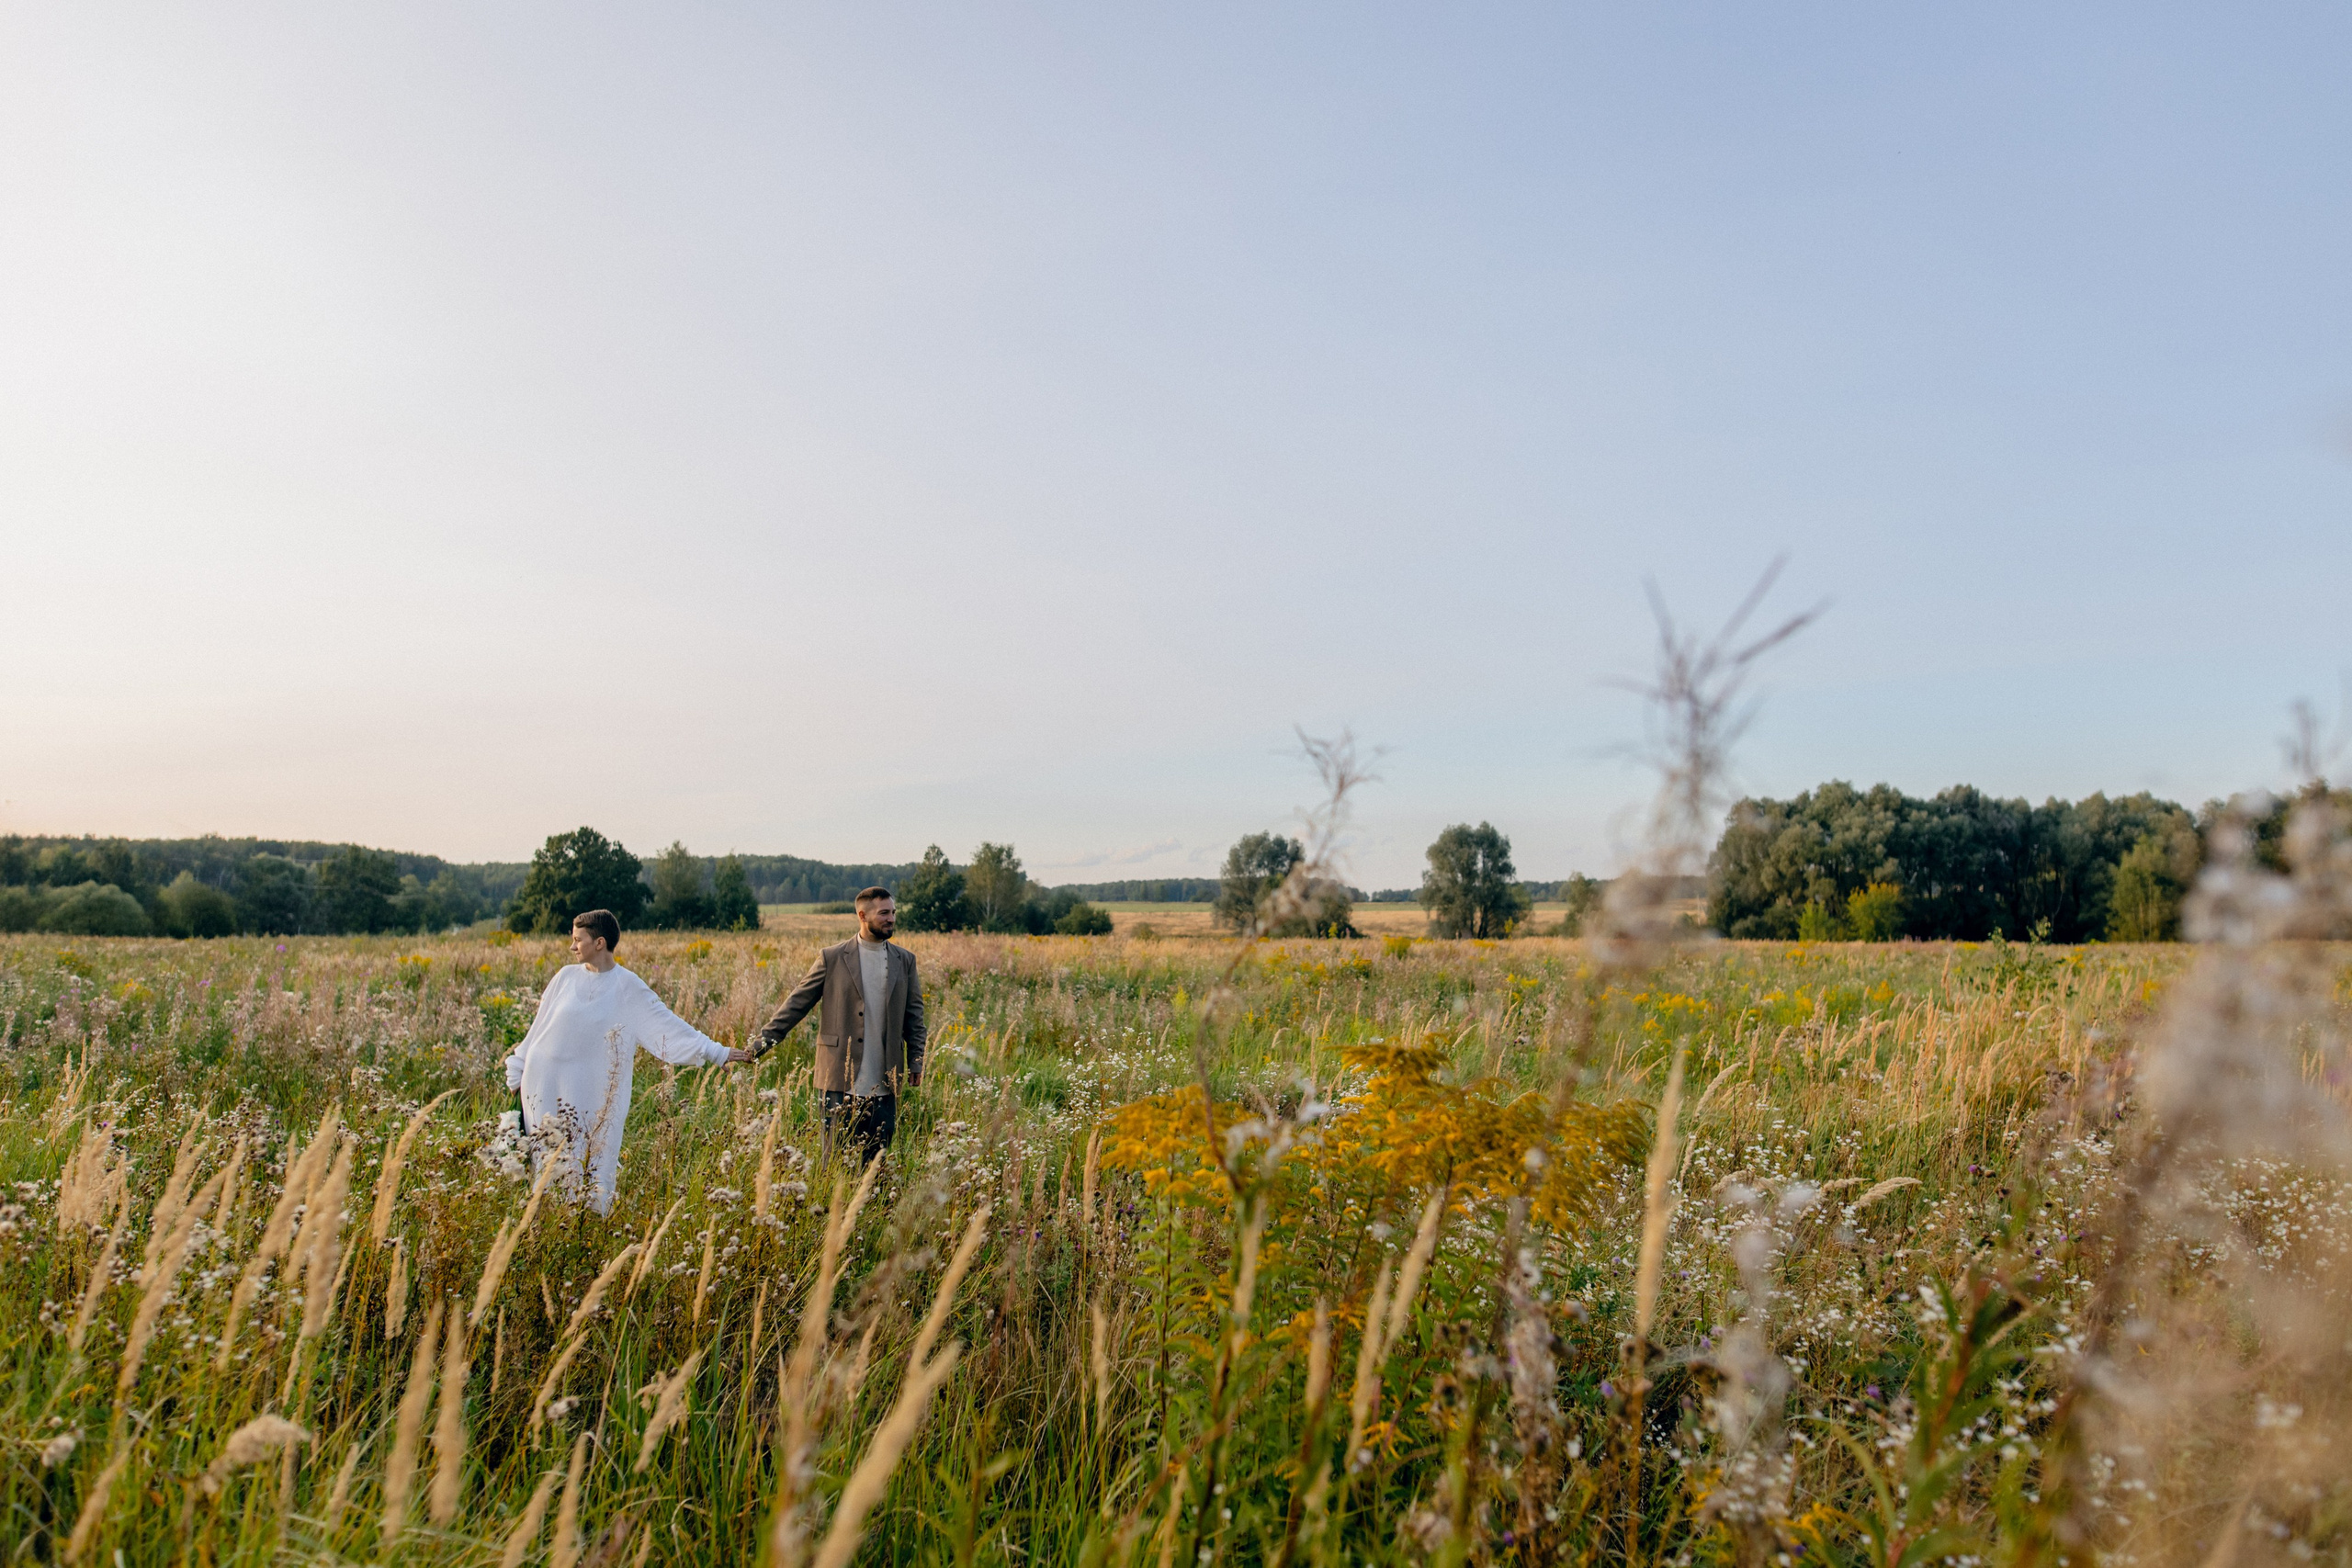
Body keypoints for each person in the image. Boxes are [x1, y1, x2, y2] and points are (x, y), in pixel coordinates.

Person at [503, 908, 753, 1212]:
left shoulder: (626, 986)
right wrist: (517, 1068)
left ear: (599, 943)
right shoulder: (565, 978)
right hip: (540, 1085)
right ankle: (540, 1228)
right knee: (544, 1161)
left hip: (587, 1093)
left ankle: (581, 1228)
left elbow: (666, 1025)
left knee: (586, 1156)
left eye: (577, 940)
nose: (572, 947)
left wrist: (716, 1051)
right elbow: (538, 1026)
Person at [747, 885, 924, 1165]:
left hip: (885, 1084)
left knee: (876, 1167)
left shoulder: (905, 961)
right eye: (884, 913)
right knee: (834, 1165)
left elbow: (915, 1017)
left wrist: (916, 1061)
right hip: (838, 1083)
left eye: (893, 912)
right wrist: (757, 1047)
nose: (891, 919)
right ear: (862, 915)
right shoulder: (832, 958)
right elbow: (796, 1004)